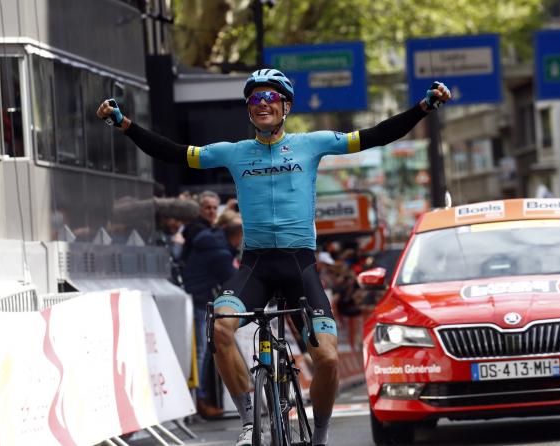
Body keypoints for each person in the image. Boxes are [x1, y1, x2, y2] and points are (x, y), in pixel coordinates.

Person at [97, 68, 451, 446]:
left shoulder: (312, 144)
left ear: (286, 106)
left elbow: (375, 135)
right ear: (248, 110)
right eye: (254, 99)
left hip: (300, 266)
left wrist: (423, 108)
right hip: (256, 267)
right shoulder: (234, 153)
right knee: (220, 326)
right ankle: (251, 422)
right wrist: (125, 125)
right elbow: (172, 152)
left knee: (328, 360)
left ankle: (320, 435)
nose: (262, 104)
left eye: (270, 98)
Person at [182, 210, 243, 419]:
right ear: (237, 236)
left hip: (199, 299)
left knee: (202, 353)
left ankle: (199, 399)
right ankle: (197, 401)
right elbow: (234, 280)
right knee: (200, 354)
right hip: (199, 300)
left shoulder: (214, 245)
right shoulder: (220, 252)